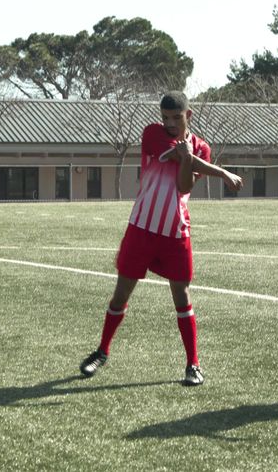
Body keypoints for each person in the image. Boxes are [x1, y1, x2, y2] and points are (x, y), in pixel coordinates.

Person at [78, 92, 244, 386]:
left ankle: (193, 364)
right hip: (141, 227)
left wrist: (189, 160)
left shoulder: (202, 148)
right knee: (121, 294)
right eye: (165, 117)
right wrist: (225, 173)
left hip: (175, 232)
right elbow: (185, 157)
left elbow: (183, 185)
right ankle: (102, 351)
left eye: (175, 118)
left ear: (188, 116)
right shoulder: (152, 133)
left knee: (182, 296)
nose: (168, 123)